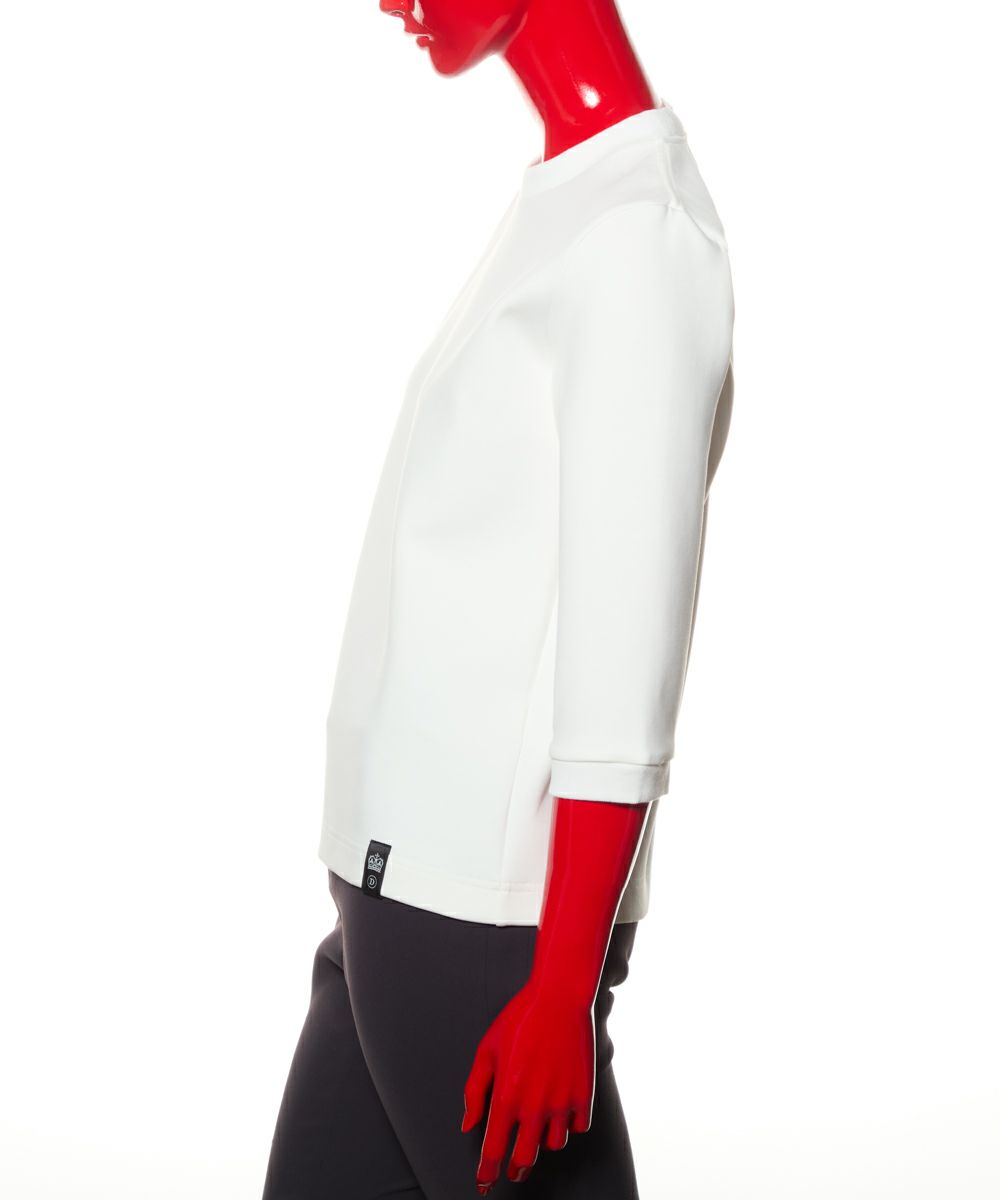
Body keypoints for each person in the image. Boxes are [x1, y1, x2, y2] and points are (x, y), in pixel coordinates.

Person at [262, 1, 735, 1195]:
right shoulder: (568, 199)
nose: (392, 1)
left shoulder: (638, 236)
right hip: (394, 902)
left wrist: (563, 985)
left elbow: (624, 639)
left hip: (486, 932)